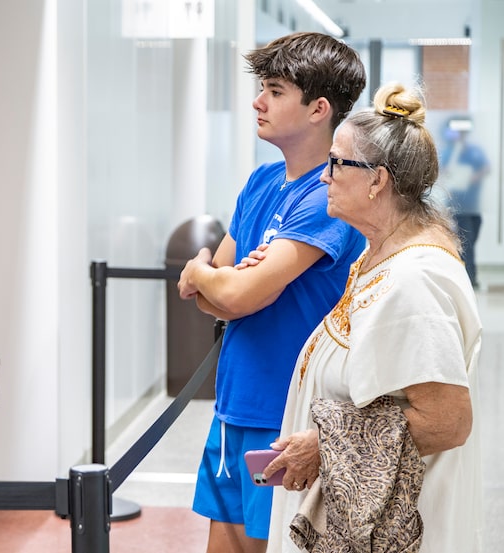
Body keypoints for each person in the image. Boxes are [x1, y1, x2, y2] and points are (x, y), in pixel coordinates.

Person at [262, 82, 483, 552]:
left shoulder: (416, 280)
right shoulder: (378, 255)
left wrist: (325, 446)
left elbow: (448, 421)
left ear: (377, 179)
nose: (324, 176)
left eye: (336, 163)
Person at [176, 32, 366, 553]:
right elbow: (216, 291)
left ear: (318, 109)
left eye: (275, 91)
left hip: (285, 418)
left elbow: (234, 294)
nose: (258, 102)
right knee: (226, 544)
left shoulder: (331, 194)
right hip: (233, 405)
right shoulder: (261, 181)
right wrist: (221, 278)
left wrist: (218, 278)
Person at [438, 116, 490, 288]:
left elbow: (486, 168)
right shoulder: (449, 152)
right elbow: (444, 173)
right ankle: (469, 280)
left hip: (474, 206)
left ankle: (469, 277)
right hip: (458, 207)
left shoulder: (474, 151)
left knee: (471, 241)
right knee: (466, 243)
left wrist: (473, 177)